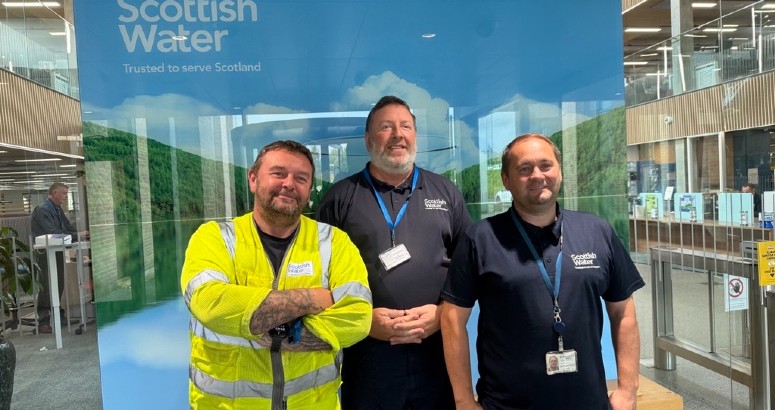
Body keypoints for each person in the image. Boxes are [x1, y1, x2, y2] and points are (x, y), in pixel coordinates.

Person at [440, 133, 644, 410]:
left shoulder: (597, 231)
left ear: (559, 171)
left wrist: (628, 389)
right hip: (506, 404)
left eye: (546, 165)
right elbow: (452, 320)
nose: (537, 175)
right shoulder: (480, 238)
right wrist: (463, 400)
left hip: (588, 402)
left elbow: (623, 312)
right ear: (506, 180)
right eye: (524, 169)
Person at [181, 140, 373, 409]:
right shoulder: (215, 238)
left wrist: (279, 335)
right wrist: (312, 299)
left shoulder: (333, 242)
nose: (289, 183)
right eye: (278, 173)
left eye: (301, 178)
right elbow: (210, 303)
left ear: (309, 189)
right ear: (253, 178)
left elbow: (358, 318)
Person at [317, 95, 472, 409]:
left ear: (415, 135)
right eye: (386, 127)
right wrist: (362, 321)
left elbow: (468, 267)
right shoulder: (340, 197)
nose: (397, 134)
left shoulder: (445, 192)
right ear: (368, 139)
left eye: (405, 126)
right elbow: (320, 277)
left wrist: (443, 313)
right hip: (368, 356)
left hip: (437, 350)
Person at [30, 182, 89, 334]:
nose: (65, 197)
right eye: (63, 194)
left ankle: (59, 315)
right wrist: (77, 235)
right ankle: (43, 320)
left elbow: (67, 227)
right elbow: (53, 232)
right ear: (54, 193)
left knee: (59, 283)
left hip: (57, 250)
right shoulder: (42, 209)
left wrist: (80, 235)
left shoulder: (57, 209)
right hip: (45, 252)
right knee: (47, 285)